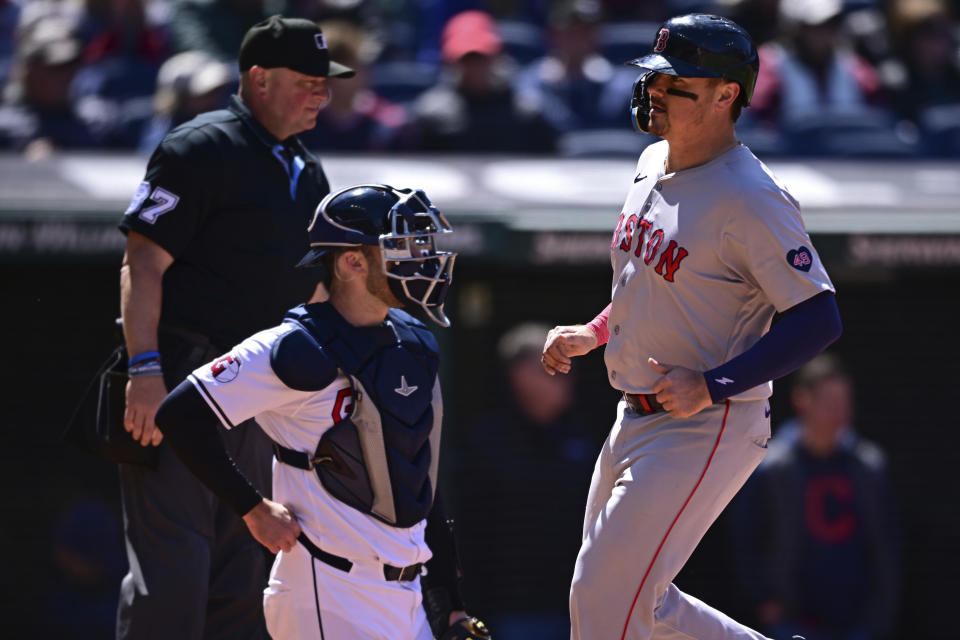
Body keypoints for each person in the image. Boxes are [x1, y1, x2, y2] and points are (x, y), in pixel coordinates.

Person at [540, 13, 843, 640]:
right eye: (654, 78)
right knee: (638, 602)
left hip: (706, 422)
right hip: (634, 413)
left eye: (676, 83)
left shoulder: (751, 197)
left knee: (600, 601)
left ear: (725, 95)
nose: (655, 91)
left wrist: (715, 383)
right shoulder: (653, 158)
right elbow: (649, 283)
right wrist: (596, 332)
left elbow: (818, 317)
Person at [153, 183, 490, 640]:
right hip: (328, 592)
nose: (422, 259)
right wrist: (251, 507)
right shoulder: (294, 346)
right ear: (352, 261)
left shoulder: (412, 341)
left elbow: (419, 481)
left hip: (408, 598)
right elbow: (180, 415)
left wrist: (451, 606)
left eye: (420, 244)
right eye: (401, 247)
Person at [116, 15, 354, 639]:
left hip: (257, 391)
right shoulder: (199, 147)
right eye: (306, 81)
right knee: (173, 574)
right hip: (181, 381)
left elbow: (317, 290)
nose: (320, 95)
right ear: (259, 79)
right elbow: (143, 258)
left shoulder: (307, 170)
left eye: (324, 84)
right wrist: (144, 369)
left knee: (246, 579)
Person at [730, 354, 900, 640]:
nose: (840, 412)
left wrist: (877, 616)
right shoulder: (772, 469)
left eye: (845, 402)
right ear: (802, 400)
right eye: (830, 402)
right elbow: (746, 538)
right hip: (791, 623)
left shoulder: (869, 467)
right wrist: (764, 601)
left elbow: (888, 546)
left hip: (857, 626)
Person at [455, 322, 605, 639]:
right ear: (519, 375)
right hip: (511, 608)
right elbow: (471, 530)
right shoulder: (486, 441)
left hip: (577, 602)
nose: (567, 378)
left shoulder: (586, 435)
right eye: (552, 367)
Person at [410, 10, 556, 152]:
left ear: (496, 57)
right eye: (466, 59)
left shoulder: (525, 114)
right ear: (451, 62)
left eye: (480, 58)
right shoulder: (431, 115)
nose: (474, 66)